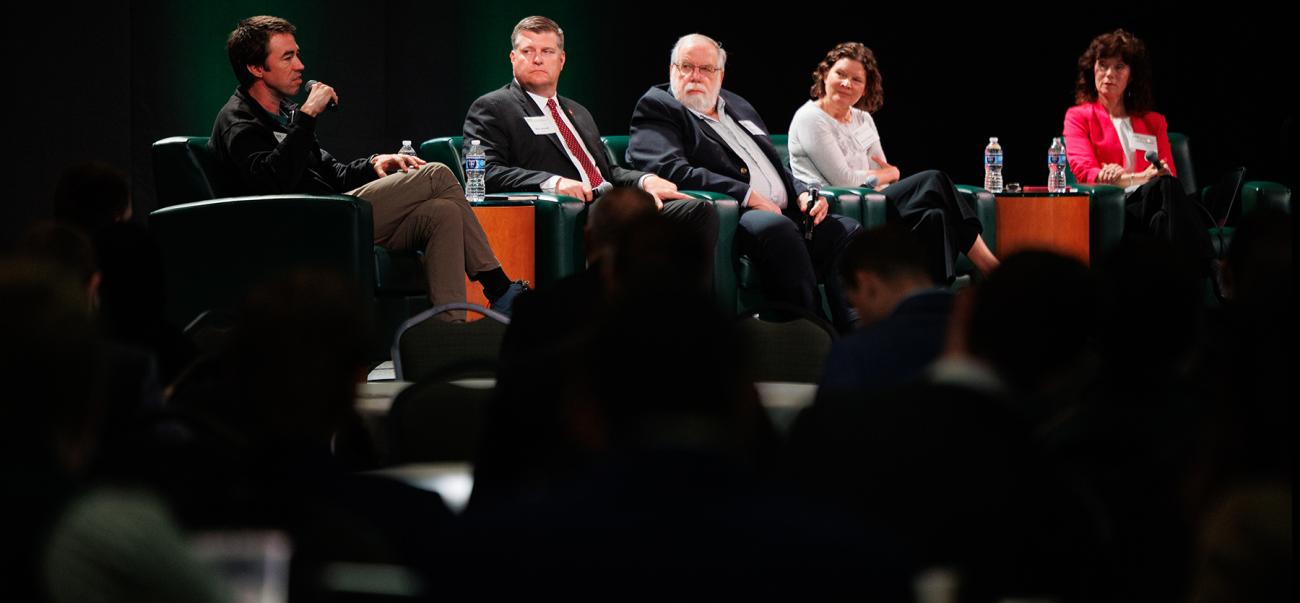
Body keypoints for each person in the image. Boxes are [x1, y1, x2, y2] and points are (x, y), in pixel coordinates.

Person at [211, 15, 525, 314]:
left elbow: (333, 175)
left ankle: (448, 334)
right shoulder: (238, 121)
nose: (300, 66)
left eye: (298, 55)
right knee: (436, 174)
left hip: (335, 215)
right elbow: (271, 184)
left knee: (445, 212)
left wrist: (374, 164)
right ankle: (500, 289)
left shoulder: (287, 114)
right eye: (287, 57)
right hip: (300, 226)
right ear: (256, 68)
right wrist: (307, 117)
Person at [628, 33, 861, 331]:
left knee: (846, 230)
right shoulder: (658, 106)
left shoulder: (736, 105)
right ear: (672, 69)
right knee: (779, 229)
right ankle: (813, 333)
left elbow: (773, 166)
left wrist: (804, 193)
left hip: (785, 212)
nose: (695, 75)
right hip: (736, 216)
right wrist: (748, 195)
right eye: (686, 66)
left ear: (720, 75)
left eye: (706, 69)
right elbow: (668, 168)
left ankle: (858, 332)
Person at [462, 16, 718, 257]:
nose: (537, 59)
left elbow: (607, 172)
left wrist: (645, 181)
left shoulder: (578, 112)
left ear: (561, 60)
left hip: (610, 203)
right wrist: (553, 182)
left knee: (699, 210)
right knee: (626, 213)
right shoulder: (493, 107)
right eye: (528, 51)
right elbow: (487, 172)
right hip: (574, 211)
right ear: (513, 57)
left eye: (547, 51)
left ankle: (686, 303)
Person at [788, 42, 998, 281]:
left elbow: (878, 170)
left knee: (936, 217)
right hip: (839, 210)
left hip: (875, 202)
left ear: (865, 88)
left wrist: (883, 176)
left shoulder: (863, 118)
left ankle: (934, 306)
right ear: (825, 74)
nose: (847, 84)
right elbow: (845, 179)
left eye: (856, 80)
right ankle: (992, 268)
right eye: (841, 74)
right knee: (933, 180)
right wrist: (891, 174)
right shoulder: (811, 118)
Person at [1063, 29, 1215, 269]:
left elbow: (1169, 173)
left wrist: (1146, 177)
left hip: (1156, 203)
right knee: (1165, 192)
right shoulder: (1079, 117)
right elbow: (1085, 172)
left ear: (1132, 75)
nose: (1109, 74)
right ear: (1092, 69)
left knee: (1163, 211)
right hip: (1116, 206)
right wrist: (1137, 177)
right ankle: (1210, 265)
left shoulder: (1153, 121)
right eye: (1103, 66)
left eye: (1119, 67)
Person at [816, 224, 954, 399]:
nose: (861, 317)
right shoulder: (984, 331)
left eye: (855, 304)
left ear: (867, 284)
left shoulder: (856, 355)